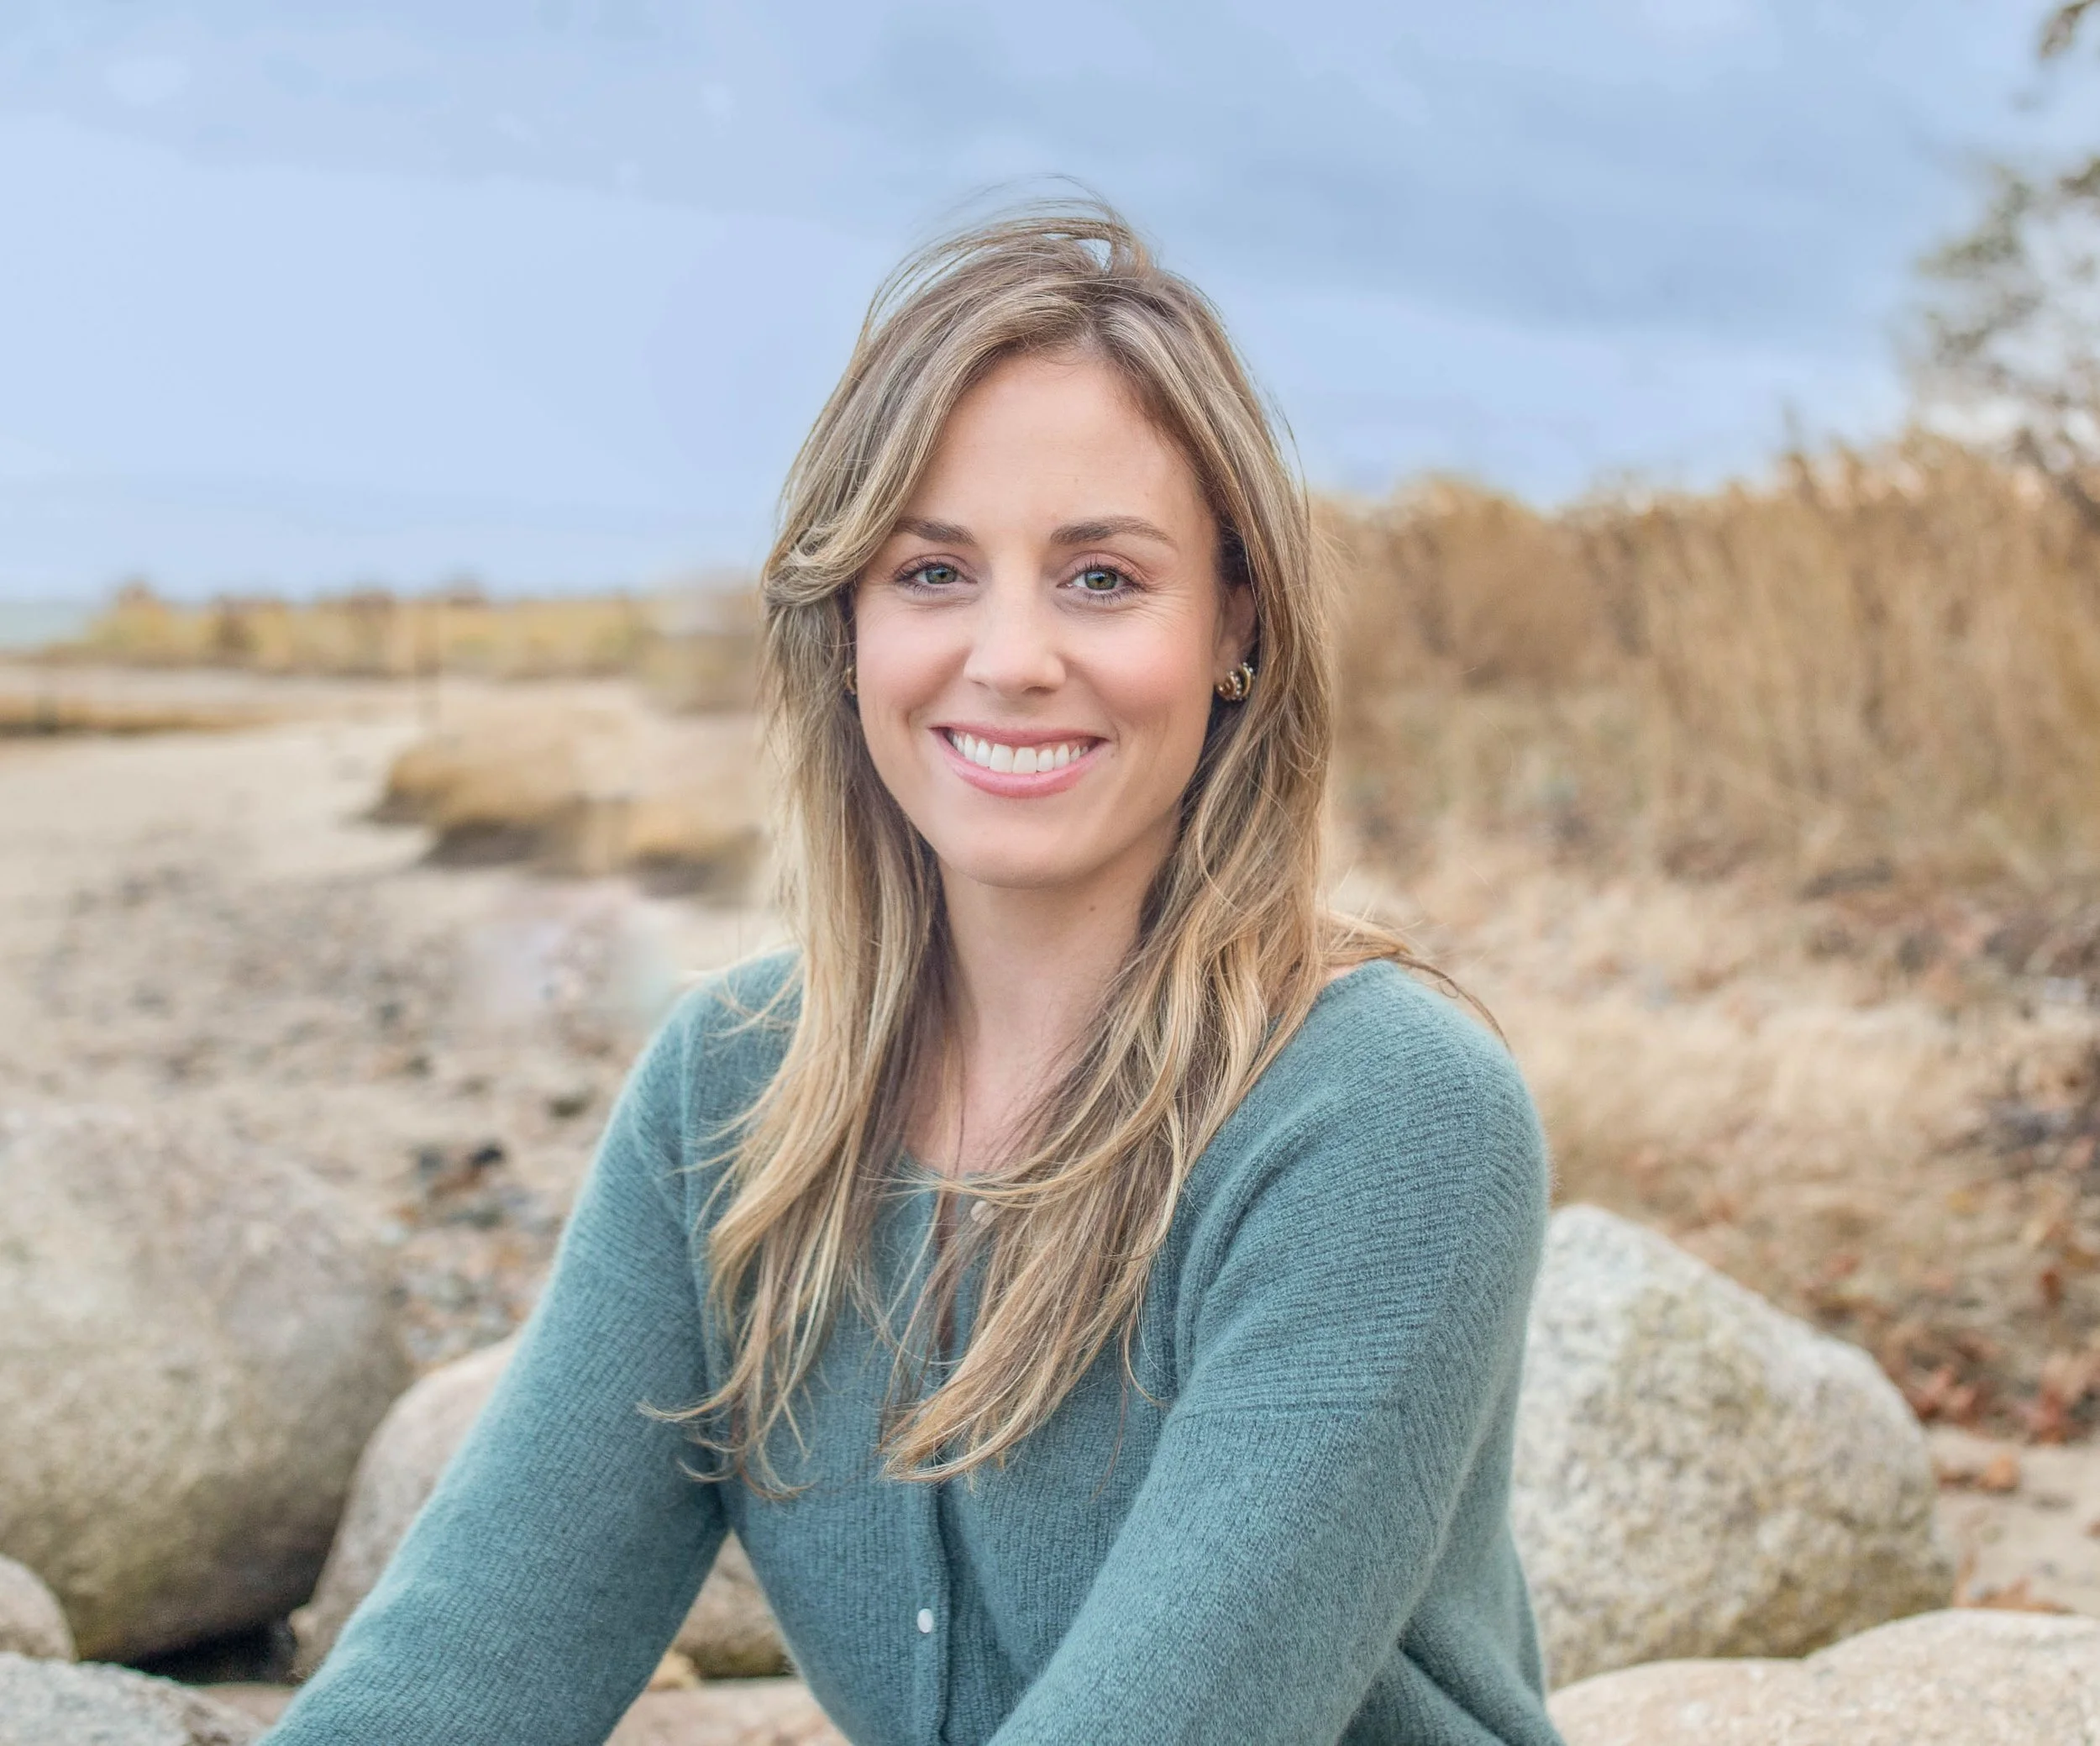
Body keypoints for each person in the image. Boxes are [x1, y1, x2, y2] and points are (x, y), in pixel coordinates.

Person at [262, 202, 1562, 1746]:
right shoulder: (728, 1090)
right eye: (933, 571)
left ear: (1239, 628)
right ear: (849, 625)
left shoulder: (1390, 1120)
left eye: (1101, 578)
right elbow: (472, 1660)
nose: (1010, 655)